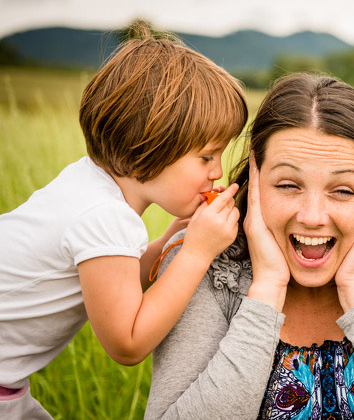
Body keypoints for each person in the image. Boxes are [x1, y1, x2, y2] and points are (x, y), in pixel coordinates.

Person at [145, 73, 354, 419]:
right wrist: (266, 290)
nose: (312, 217)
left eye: (343, 190)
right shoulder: (201, 262)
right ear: (255, 181)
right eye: (287, 185)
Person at [0, 23, 247, 419]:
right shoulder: (105, 216)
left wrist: (174, 236)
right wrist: (197, 253)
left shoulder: (88, 187)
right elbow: (128, 344)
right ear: (149, 144)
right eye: (206, 156)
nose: (217, 172)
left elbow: (121, 282)